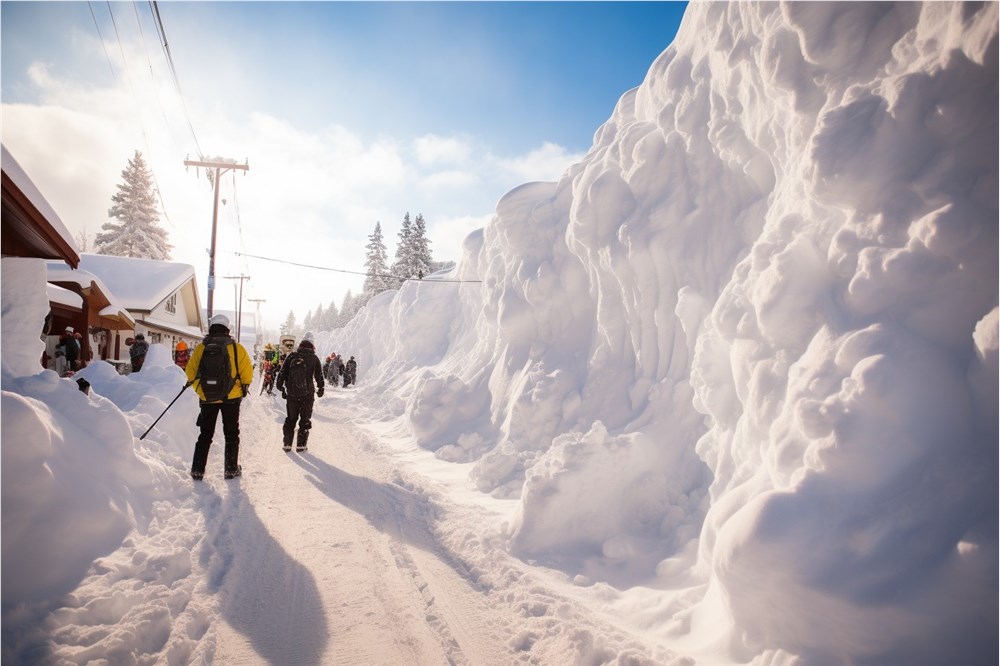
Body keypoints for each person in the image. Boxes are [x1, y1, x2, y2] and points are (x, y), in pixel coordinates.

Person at [186, 314, 254, 480]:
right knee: (231, 434)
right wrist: (242, 389)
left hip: (208, 398)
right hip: (231, 399)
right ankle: (230, 469)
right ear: (227, 329)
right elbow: (247, 374)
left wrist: (202, 390)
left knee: (205, 434)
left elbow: (190, 374)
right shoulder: (237, 348)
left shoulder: (201, 348)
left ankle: (197, 469)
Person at [275, 331, 324, 452]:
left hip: (292, 394)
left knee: (291, 419)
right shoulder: (314, 358)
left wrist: (280, 386)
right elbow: (319, 375)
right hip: (307, 395)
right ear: (312, 345)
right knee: (304, 420)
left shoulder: (291, 356)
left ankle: (287, 443)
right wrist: (321, 388)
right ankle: (301, 445)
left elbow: (283, 372)